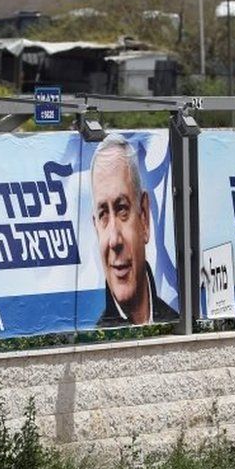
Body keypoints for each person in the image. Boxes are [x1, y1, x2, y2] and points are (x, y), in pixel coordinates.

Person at [91, 134, 178, 327]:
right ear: (96, 228)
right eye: (103, 214)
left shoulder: (176, 322)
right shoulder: (95, 338)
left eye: (122, 209)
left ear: (144, 217)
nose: (114, 240)